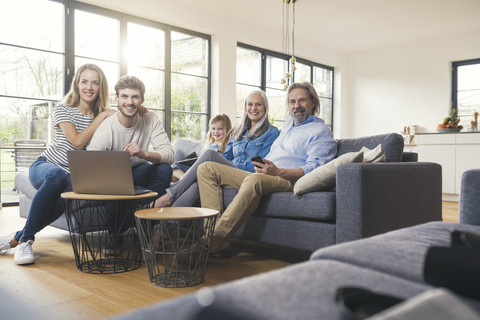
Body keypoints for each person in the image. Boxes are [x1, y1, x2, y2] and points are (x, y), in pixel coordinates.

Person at [196, 82, 338, 254]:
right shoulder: (287, 126)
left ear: (313, 102)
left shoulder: (320, 131)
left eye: (302, 100)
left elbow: (314, 168)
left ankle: (208, 245)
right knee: (206, 169)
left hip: (287, 180)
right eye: (292, 102)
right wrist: (241, 131)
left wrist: (278, 172)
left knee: (254, 179)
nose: (297, 106)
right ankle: (217, 241)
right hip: (263, 173)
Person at [0, 64, 117, 265]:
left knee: (61, 201)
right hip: (46, 167)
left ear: (101, 87)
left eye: (95, 82)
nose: (89, 87)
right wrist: (101, 117)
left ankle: (18, 238)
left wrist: (138, 109)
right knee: (59, 176)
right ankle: (26, 241)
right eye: (84, 81)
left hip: (74, 177)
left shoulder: (106, 116)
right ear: (77, 84)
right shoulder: (63, 109)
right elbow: (77, 142)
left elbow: (127, 119)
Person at [154, 89, 280, 208]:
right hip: (228, 172)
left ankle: (169, 196)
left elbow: (261, 164)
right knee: (198, 184)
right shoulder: (239, 131)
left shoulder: (272, 132)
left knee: (210, 154)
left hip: (249, 176)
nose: (253, 108)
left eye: (258, 104)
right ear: (245, 107)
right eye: (250, 104)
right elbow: (226, 156)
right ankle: (165, 228)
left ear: (265, 107)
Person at [87, 76, 174, 244]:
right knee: (114, 182)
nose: (130, 102)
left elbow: (169, 155)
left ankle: (145, 223)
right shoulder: (107, 126)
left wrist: (144, 154)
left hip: (138, 172)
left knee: (164, 169)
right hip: (112, 178)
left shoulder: (150, 118)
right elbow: (91, 161)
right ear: (117, 99)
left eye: (135, 97)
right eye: (125, 97)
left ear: (142, 100)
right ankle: (116, 235)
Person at [171, 114, 232, 182]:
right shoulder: (210, 143)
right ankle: (182, 178)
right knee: (172, 165)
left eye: (220, 129)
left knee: (174, 168)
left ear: (227, 129)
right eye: (213, 129)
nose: (216, 132)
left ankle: (184, 179)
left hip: (205, 170)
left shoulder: (227, 145)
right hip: (197, 167)